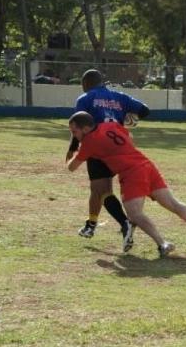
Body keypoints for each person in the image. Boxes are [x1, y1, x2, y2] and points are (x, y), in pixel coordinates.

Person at [66, 111, 186, 258]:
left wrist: (73, 155)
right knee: (173, 203)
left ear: (85, 129)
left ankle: (162, 243)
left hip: (131, 173)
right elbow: (129, 136)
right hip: (145, 164)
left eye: (75, 132)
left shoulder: (89, 142)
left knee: (134, 214)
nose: (74, 135)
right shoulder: (111, 126)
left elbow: (72, 167)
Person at [66, 69, 150, 252]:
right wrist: (129, 119)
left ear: (86, 83)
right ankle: (91, 224)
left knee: (101, 190)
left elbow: (78, 125)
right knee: (99, 190)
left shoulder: (85, 98)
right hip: (119, 147)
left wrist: (72, 148)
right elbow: (145, 110)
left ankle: (125, 223)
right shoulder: (119, 96)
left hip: (97, 147)